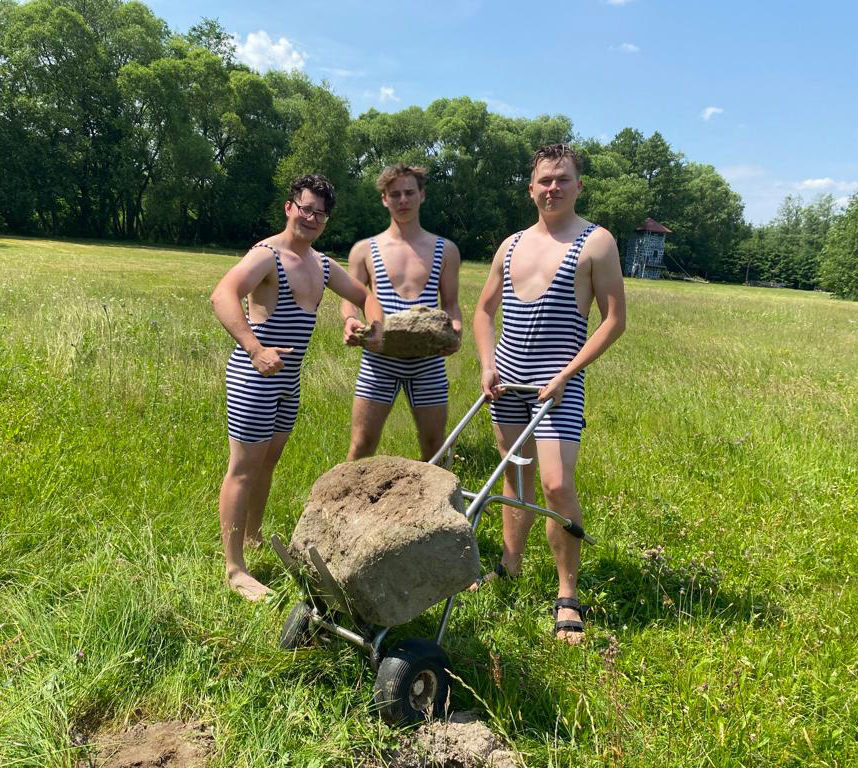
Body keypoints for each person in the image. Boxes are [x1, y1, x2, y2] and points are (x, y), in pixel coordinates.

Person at [471, 144, 626, 643]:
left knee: (557, 486)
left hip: (559, 386)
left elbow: (614, 321)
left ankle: (567, 594)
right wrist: (487, 364)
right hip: (507, 382)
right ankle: (509, 566)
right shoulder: (511, 244)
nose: (553, 188)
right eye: (544, 180)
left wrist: (566, 374)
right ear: (531, 188)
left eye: (562, 179)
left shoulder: (596, 242)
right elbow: (483, 311)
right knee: (515, 477)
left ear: (578, 186)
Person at [211, 174, 384, 601]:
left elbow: (365, 295)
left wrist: (367, 324)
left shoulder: (321, 264)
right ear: (289, 207)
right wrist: (254, 349)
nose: (311, 218)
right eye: (305, 208)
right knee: (243, 469)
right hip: (255, 377)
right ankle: (235, 569)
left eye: (320, 214)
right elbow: (222, 294)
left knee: (267, 464)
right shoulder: (267, 256)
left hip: (289, 381)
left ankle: (252, 537)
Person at [341, 164, 463, 462]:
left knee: (434, 445)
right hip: (379, 359)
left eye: (409, 192)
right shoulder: (364, 250)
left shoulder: (445, 249)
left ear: (422, 195)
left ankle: (437, 494)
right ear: (384, 199)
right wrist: (350, 320)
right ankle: (347, 494)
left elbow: (450, 303)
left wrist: (456, 331)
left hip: (428, 362)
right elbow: (351, 300)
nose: (403, 200)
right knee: (362, 444)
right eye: (395, 194)